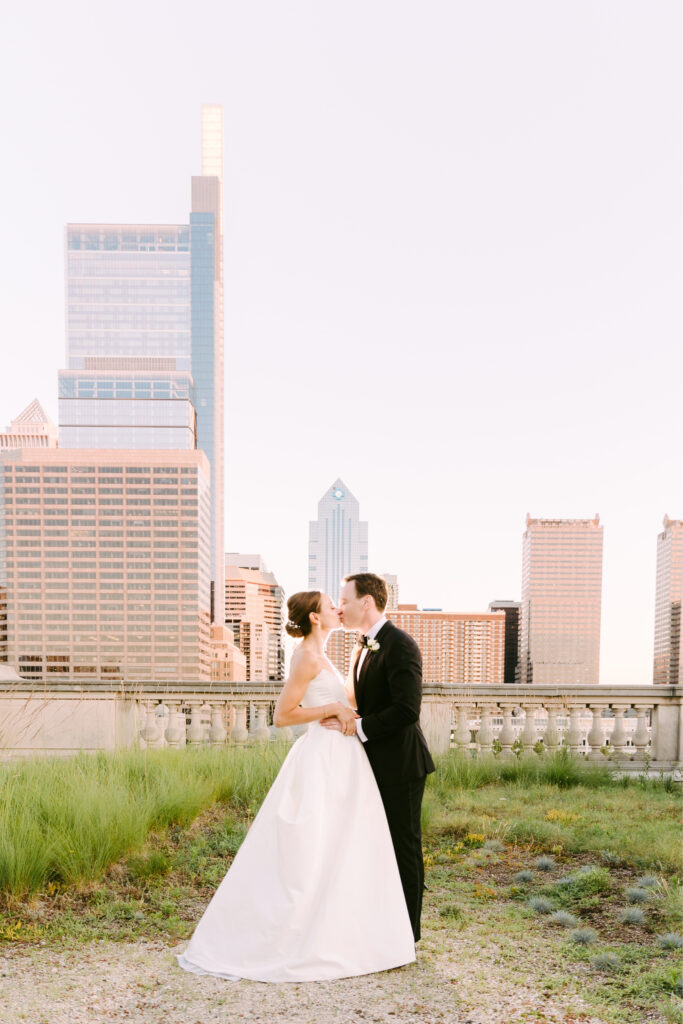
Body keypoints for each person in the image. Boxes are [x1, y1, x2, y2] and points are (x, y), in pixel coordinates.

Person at [175, 590, 416, 983]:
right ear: (316, 618)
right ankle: (297, 932)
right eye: (329, 604)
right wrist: (331, 709)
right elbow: (283, 715)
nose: (338, 607)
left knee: (343, 847)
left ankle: (343, 929)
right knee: (311, 847)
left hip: (344, 761)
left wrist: (350, 710)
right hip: (320, 759)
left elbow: (347, 703)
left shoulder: (327, 655)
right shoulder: (305, 656)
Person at [323, 573, 435, 942]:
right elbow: (367, 702)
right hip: (369, 764)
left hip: (401, 765)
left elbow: (407, 709)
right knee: (374, 844)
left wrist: (359, 727)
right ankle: (380, 924)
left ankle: (408, 934)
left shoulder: (399, 644)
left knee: (404, 845)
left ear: (366, 601)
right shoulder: (361, 646)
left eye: (345, 600)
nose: (341, 607)